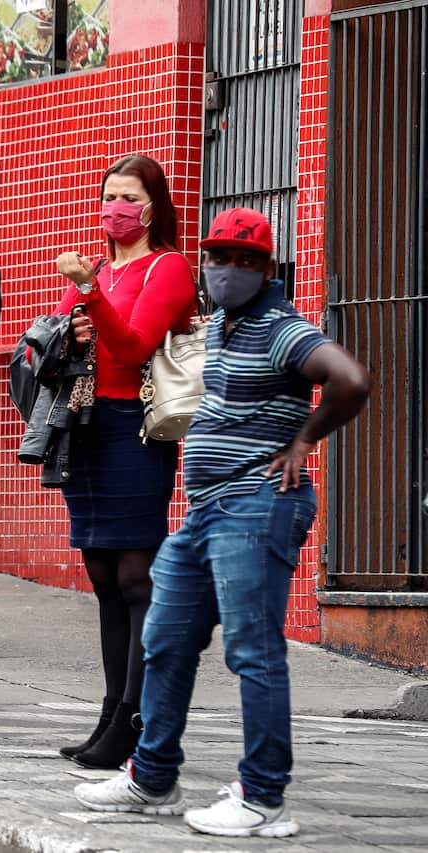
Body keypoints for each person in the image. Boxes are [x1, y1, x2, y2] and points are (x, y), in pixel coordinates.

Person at [73, 208, 370, 838]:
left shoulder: (281, 329)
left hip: (256, 506)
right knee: (165, 639)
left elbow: (351, 380)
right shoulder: (226, 328)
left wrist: (303, 442)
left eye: (245, 261)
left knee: (253, 652)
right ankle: (151, 779)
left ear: (268, 268)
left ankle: (263, 798)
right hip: (206, 511)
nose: (228, 271)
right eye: (218, 259)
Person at [43, 155, 197, 769]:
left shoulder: (170, 267)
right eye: (108, 195)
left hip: (136, 428)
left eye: (128, 196)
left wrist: (89, 295)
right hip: (86, 428)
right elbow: (58, 334)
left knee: (137, 579)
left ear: (152, 206)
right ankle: (111, 713)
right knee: (104, 579)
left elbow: (133, 346)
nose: (115, 207)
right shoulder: (101, 267)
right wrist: (68, 330)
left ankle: (138, 718)